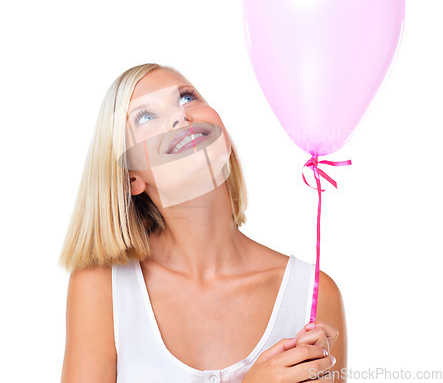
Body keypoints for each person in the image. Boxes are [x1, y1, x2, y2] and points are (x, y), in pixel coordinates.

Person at [59, 63, 347, 382]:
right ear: (131, 178)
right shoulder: (104, 286)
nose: (180, 116)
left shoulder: (313, 293)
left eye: (186, 98)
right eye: (145, 116)